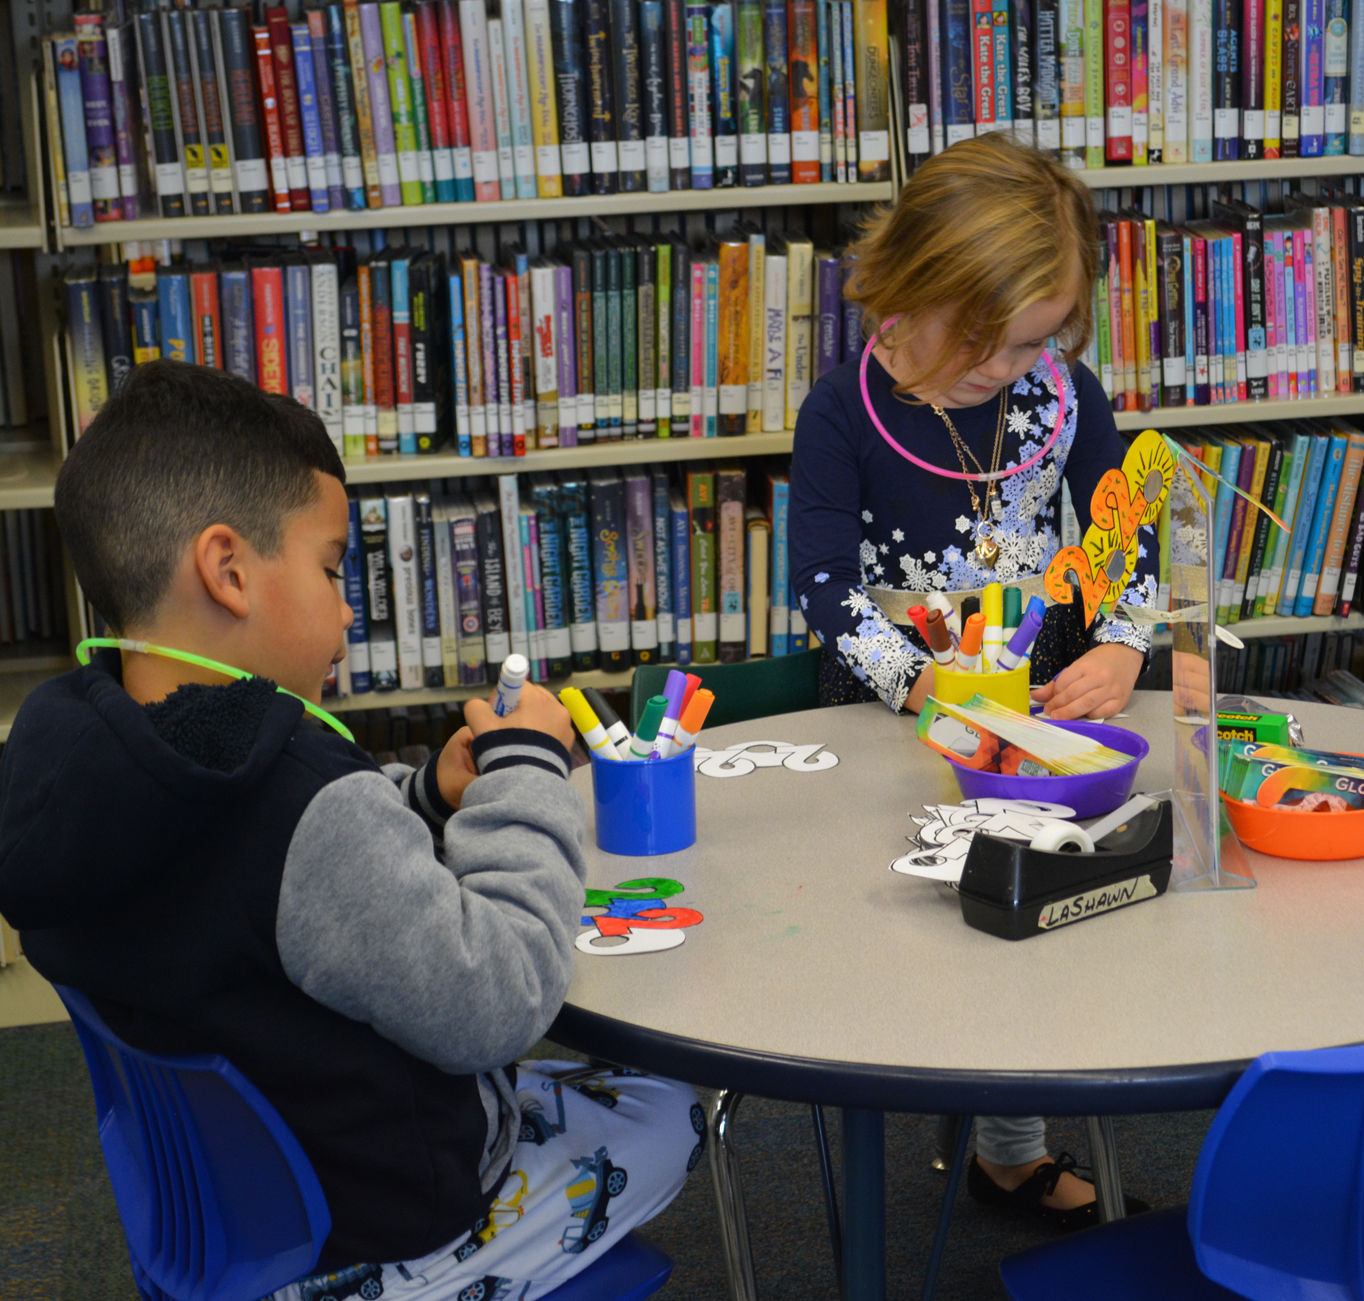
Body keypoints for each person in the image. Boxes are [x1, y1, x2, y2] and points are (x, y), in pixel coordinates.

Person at [0, 362, 703, 1301]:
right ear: (228, 569)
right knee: (672, 1110)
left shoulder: (69, 752)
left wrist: (423, 800)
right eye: (332, 568)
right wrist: (527, 767)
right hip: (369, 1236)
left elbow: (261, 882)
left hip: (222, 1222)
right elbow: (507, 996)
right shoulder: (302, 804)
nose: (346, 607)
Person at [788, 133, 1156, 1229]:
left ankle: (1008, 1144)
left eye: (1032, 343)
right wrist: (919, 688)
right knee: (913, 925)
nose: (1006, 369)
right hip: (897, 718)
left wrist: (1126, 641)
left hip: (1032, 722)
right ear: (906, 287)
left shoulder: (1059, 394)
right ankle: (913, 1087)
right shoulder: (841, 411)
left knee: (1029, 927)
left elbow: (1121, 535)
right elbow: (824, 585)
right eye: (985, 343)